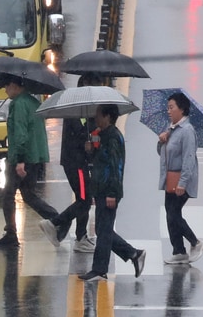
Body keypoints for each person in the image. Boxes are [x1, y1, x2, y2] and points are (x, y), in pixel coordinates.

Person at [78, 104, 146, 282]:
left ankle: (100, 269)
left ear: (108, 117)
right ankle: (133, 253)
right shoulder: (101, 135)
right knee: (103, 229)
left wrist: (112, 193)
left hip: (109, 191)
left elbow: (117, 167)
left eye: (99, 115)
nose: (96, 118)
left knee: (105, 230)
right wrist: (90, 149)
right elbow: (98, 161)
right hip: (100, 189)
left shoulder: (114, 137)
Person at [0, 77, 61, 248]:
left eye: (6, 85)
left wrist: (20, 160)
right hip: (35, 156)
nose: (5, 89)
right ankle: (57, 219)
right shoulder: (32, 101)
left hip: (22, 157)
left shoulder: (19, 104)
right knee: (28, 194)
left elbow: (21, 132)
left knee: (9, 195)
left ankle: (11, 234)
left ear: (15, 85)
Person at [39, 76, 102, 252]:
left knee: (85, 198)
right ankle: (54, 223)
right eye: (94, 86)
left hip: (79, 161)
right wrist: (93, 138)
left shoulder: (85, 108)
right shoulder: (77, 108)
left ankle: (81, 236)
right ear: (84, 86)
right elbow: (82, 133)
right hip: (76, 162)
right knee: (84, 199)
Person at [158, 92, 203, 265]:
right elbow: (162, 154)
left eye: (172, 107)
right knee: (170, 213)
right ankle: (178, 251)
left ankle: (195, 242)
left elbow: (189, 158)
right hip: (170, 178)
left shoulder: (187, 131)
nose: (168, 111)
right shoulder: (170, 128)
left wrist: (183, 183)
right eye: (168, 107)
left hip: (181, 179)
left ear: (182, 109)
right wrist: (162, 140)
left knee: (173, 213)